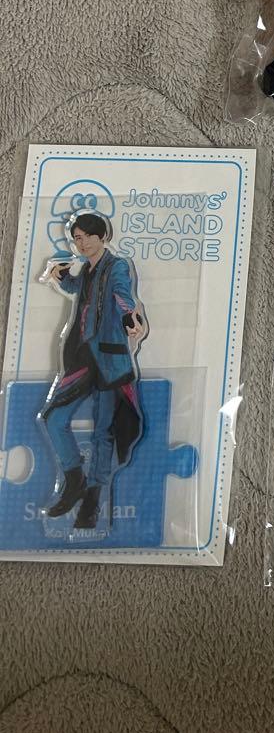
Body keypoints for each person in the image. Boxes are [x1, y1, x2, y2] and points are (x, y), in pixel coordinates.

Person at [39, 212, 145, 530]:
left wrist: (130, 320)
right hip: (82, 357)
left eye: (86, 236)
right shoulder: (87, 269)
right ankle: (75, 480)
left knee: (103, 432)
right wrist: (59, 276)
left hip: (109, 359)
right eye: (77, 238)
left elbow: (122, 295)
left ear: (102, 237)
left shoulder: (117, 266)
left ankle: (93, 496)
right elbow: (78, 289)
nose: (81, 243)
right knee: (54, 418)